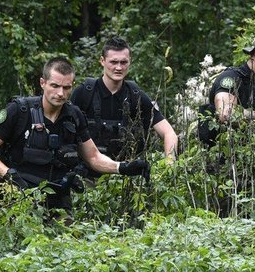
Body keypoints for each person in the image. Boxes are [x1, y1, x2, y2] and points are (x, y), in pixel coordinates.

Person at [0, 56, 150, 213]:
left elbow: (93, 157)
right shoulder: (20, 111)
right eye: (55, 86)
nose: (60, 93)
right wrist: (10, 175)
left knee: (70, 243)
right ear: (42, 83)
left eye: (66, 88)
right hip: (18, 198)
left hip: (58, 199)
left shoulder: (74, 115)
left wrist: (123, 167)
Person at [70, 37, 178, 174]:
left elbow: (169, 133)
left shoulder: (136, 95)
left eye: (123, 62)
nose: (119, 67)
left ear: (130, 62)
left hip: (127, 178)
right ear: (102, 61)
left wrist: (169, 165)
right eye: (113, 62)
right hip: (87, 178)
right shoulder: (84, 93)